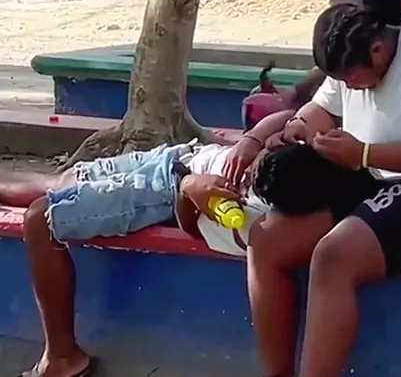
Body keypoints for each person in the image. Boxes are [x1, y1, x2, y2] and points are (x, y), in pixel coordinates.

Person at [247, 0, 401, 377]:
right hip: (378, 173)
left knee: (335, 256)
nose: (349, 85)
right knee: (268, 240)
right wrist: (296, 128)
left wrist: (364, 154)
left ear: (378, 49)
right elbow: (323, 107)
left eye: (351, 78)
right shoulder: (350, 54)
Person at [6, 110, 292, 377]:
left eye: (248, 181)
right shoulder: (303, 139)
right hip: (179, 156)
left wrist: (189, 188)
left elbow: (192, 226)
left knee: (41, 218)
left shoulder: (251, 218)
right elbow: (287, 114)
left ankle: (62, 357)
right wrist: (253, 141)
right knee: (64, 180)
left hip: (162, 192)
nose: (246, 172)